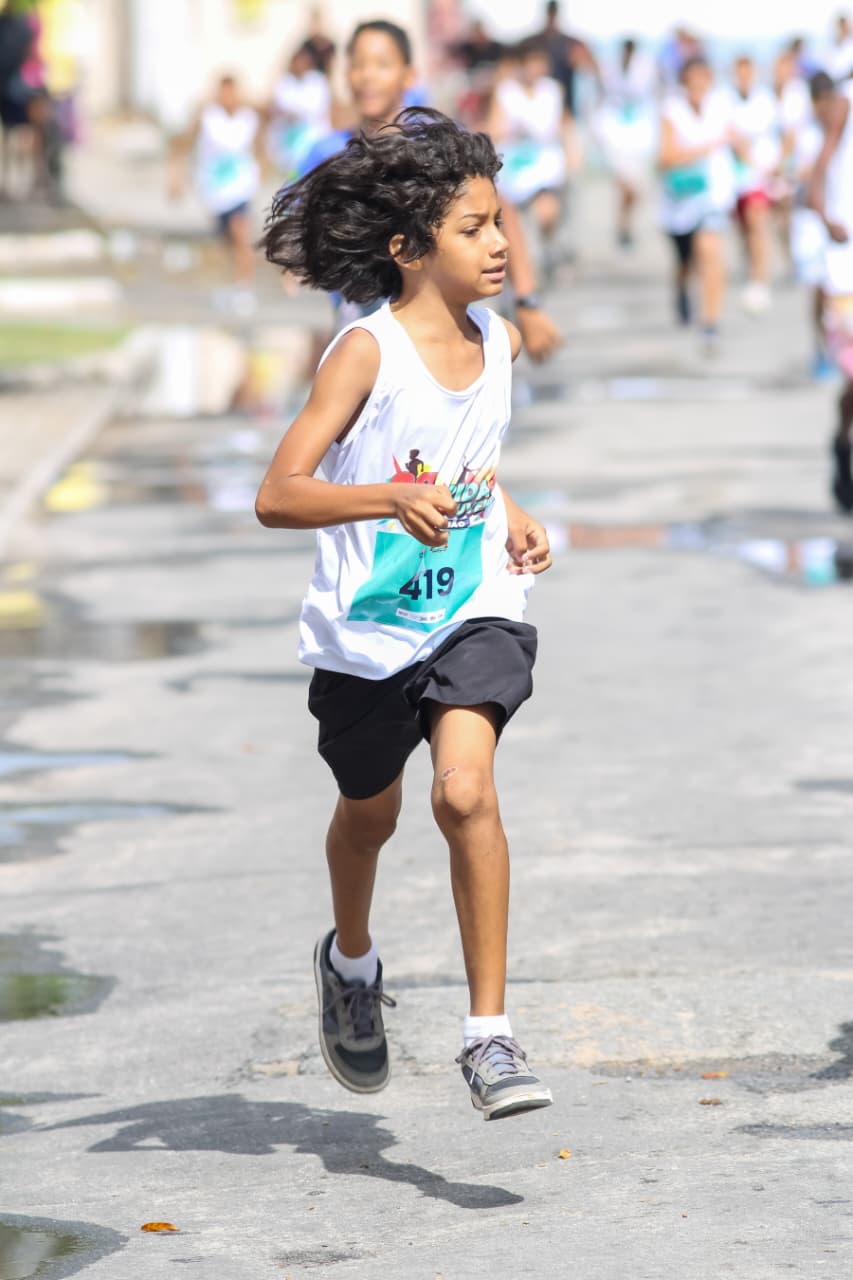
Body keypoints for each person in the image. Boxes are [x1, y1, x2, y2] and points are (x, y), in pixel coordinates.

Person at [256, 109, 554, 1120]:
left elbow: (473, 465)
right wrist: (383, 496)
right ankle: (350, 960)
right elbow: (278, 491)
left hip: (473, 608)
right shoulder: (363, 353)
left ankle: (489, 1036)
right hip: (367, 633)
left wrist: (510, 516)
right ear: (409, 248)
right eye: (474, 227)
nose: (499, 241)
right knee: (370, 811)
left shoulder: (498, 340)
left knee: (463, 793)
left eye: (498, 221)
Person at [300, 19, 561, 361]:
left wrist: (526, 301)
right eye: (358, 65)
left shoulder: (434, 143)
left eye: (381, 65)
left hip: (436, 337)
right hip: (359, 329)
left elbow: (498, 212)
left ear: (409, 75)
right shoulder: (326, 154)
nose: (368, 76)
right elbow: (301, 232)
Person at [658, 56, 736, 352]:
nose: (698, 89)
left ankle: (710, 323)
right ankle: (681, 289)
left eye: (703, 82)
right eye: (692, 83)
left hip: (712, 197)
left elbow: (736, 142)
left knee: (711, 252)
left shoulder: (721, 106)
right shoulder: (671, 111)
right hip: (678, 201)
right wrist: (704, 149)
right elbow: (665, 157)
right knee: (685, 263)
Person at [168, 75, 264, 316]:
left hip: (241, 187)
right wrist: (176, 176)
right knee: (227, 239)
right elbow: (182, 143)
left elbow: (260, 149)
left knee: (240, 233)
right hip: (215, 189)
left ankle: (245, 289)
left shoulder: (248, 118)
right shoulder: (208, 117)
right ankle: (232, 285)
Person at [808, 70, 853, 509]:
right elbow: (819, 171)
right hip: (847, 263)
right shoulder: (844, 103)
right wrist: (825, 216)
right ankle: (843, 443)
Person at [594, 37, 658, 248]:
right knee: (626, 182)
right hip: (615, 132)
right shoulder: (609, 68)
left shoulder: (647, 68)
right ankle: (623, 224)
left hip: (638, 134)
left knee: (634, 187)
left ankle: (624, 223)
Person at [728, 55, 779, 313]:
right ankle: (752, 271)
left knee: (758, 224)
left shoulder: (764, 100)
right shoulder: (726, 100)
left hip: (758, 174)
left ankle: (760, 280)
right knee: (745, 230)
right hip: (733, 178)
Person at [268, 42, 331, 181]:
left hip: (312, 143)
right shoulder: (284, 83)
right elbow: (283, 107)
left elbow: (315, 107)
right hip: (290, 148)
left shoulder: (317, 82)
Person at [540, 0, 599, 121]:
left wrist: (580, 62)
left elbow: (593, 67)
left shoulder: (572, 43)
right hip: (542, 107)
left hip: (566, 108)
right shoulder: (533, 43)